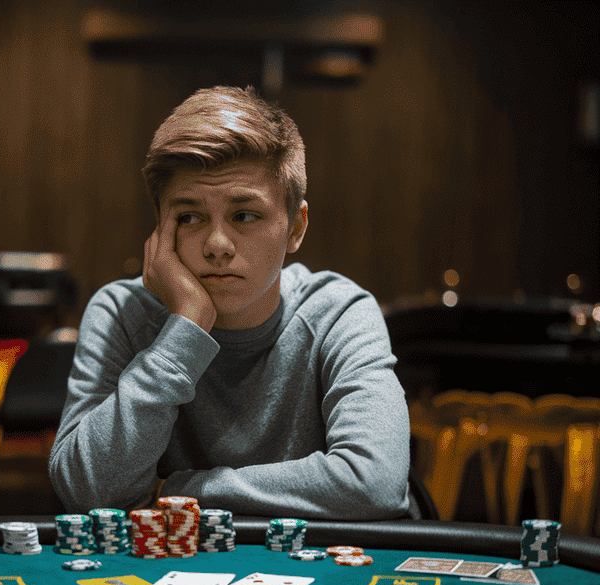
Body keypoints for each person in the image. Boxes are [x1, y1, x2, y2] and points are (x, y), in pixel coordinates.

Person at [49, 85, 410, 520]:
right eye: (189, 217)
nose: (217, 244)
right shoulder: (121, 313)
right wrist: (187, 326)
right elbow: (85, 491)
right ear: (159, 231)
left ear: (296, 227)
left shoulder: (340, 313)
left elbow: (374, 484)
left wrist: (182, 490)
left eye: (244, 215)